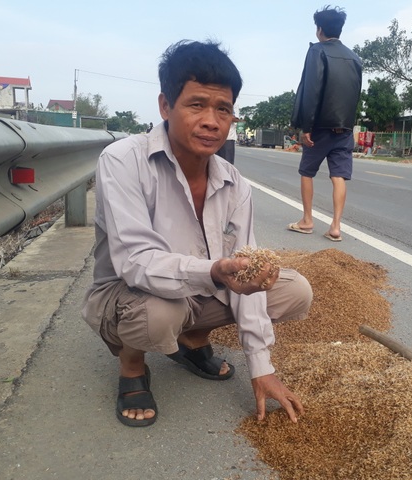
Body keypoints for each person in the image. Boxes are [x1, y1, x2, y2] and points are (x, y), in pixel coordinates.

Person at [81, 40, 312, 428]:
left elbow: (245, 270)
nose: (212, 120)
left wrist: (261, 366)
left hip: (196, 292)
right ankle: (132, 365)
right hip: (127, 293)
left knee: (294, 290)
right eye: (197, 104)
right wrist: (215, 272)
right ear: (165, 107)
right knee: (159, 312)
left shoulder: (234, 183)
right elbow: (136, 263)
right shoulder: (123, 160)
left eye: (223, 109)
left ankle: (191, 340)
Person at [288, 5, 362, 242]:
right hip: (345, 129)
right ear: (339, 29)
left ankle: (307, 220)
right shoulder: (355, 58)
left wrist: (306, 127)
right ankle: (336, 226)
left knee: (306, 171)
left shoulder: (317, 51)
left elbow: (313, 90)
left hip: (319, 128)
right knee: (338, 175)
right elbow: (354, 94)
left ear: (319, 29)